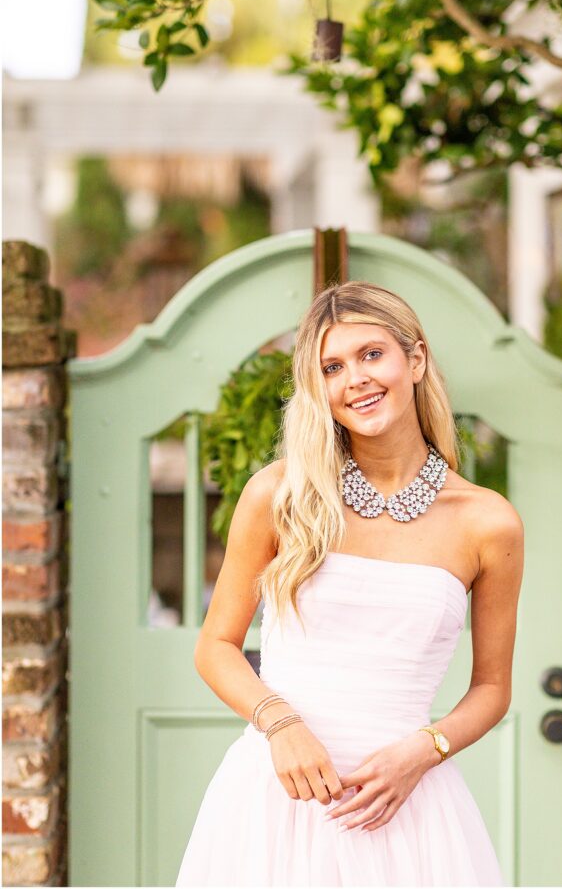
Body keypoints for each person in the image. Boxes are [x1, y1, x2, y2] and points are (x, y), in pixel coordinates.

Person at [176, 280, 523, 887]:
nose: (355, 379)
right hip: (275, 802)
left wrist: (424, 752)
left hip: (406, 808)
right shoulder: (280, 496)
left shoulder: (487, 521)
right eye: (331, 367)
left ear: (414, 360)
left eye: (371, 355)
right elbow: (215, 646)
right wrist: (278, 722)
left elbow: (492, 688)